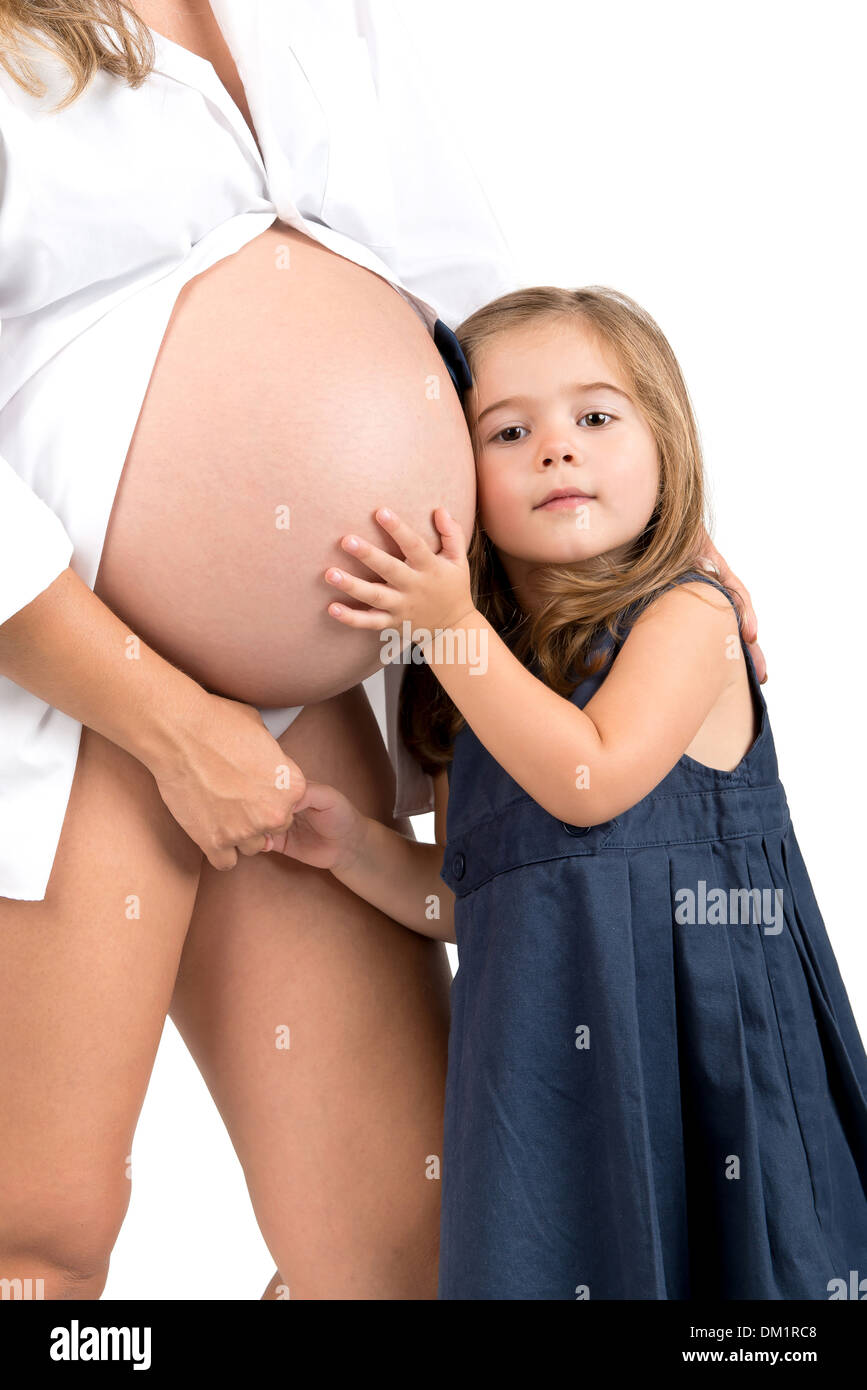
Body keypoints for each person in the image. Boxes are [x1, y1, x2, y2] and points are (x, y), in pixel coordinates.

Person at [0, 0, 522, 1301]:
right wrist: (170, 722)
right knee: (36, 1248)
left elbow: (480, 300)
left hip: (308, 716)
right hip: (64, 688)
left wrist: (656, 548)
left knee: (407, 1256)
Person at [268, 285, 867, 1299]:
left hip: (706, 1069)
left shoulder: (690, 619)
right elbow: (481, 898)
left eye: (596, 416)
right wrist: (357, 849)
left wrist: (451, 629)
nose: (557, 449)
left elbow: (591, 777)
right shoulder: (465, 689)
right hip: (555, 1084)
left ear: (666, 448)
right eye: (510, 431)